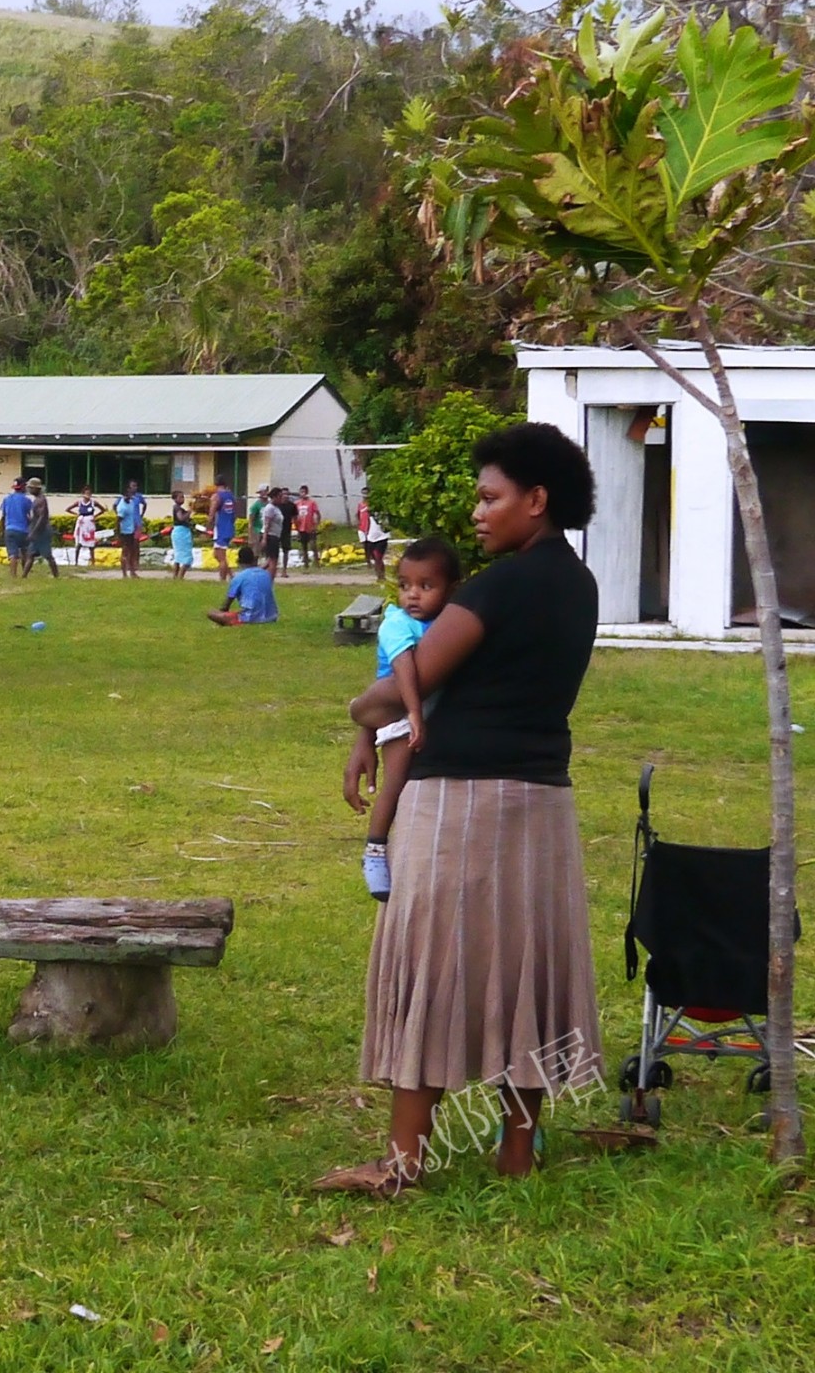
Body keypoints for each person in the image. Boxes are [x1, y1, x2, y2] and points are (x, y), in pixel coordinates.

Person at [320, 423, 600, 1196]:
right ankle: (520, 1151)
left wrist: (357, 711)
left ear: (535, 500)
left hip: (459, 801)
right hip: (543, 801)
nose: (478, 513)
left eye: (491, 496)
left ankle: (402, 1163)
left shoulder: (495, 588)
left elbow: (402, 687)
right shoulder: (579, 585)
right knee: (526, 971)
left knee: (434, 966)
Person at [346, 536, 461, 902]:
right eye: (405, 585)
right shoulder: (396, 622)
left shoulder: (449, 621)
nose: (412, 595)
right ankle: (375, 849)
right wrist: (413, 713)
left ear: (450, 589)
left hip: (427, 710)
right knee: (395, 779)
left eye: (426, 586)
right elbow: (403, 668)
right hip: (398, 711)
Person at [207, 544, 278, 626]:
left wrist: (221, 617)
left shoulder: (239, 577)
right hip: (271, 616)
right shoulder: (265, 574)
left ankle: (232, 621)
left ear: (239, 561)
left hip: (251, 618)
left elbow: (226, 605)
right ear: (253, 560)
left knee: (211, 613)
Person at [23, 477, 60, 579]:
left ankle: (56, 575)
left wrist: (34, 532)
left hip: (42, 531)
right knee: (30, 554)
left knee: (47, 555)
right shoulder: (37, 500)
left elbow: (42, 517)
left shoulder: (41, 500)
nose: (29, 490)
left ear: (36, 489)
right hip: (37, 530)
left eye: (30, 488)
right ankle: (24, 576)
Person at [0, 479, 32, 581]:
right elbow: (30, 516)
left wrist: (2, 530)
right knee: (25, 552)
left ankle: (13, 575)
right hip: (23, 530)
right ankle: (24, 574)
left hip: (9, 529)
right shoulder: (27, 500)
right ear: (23, 487)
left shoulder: (6, 499)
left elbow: (3, 516)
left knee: (13, 554)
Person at [115, 480, 147, 578]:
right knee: (125, 552)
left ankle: (133, 572)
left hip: (132, 529)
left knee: (133, 551)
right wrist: (118, 534)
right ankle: (125, 573)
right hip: (125, 531)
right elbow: (118, 521)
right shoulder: (122, 507)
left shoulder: (131, 502)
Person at [67, 487, 104, 566]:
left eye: (89, 493)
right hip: (82, 523)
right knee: (79, 543)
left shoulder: (94, 502)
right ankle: (76, 562)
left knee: (91, 543)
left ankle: (93, 562)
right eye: (86, 493)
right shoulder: (79, 502)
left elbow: (103, 509)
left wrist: (95, 516)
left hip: (90, 523)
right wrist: (77, 515)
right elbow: (68, 509)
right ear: (83, 494)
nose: (88, 495)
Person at [211, 476, 238, 582]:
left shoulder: (217, 496)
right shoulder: (231, 496)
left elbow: (211, 513)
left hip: (221, 527)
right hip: (228, 526)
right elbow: (234, 513)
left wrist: (208, 526)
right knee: (216, 554)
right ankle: (231, 575)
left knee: (221, 557)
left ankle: (222, 580)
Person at [359, 496, 390, 582]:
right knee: (375, 558)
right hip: (371, 537)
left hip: (382, 536)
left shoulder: (383, 511)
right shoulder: (366, 510)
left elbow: (386, 523)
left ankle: (382, 576)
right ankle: (378, 575)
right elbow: (362, 520)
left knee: (378, 556)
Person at [259, 486, 288, 575]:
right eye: (279, 496)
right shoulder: (270, 508)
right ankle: (269, 577)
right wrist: (264, 538)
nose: (281, 498)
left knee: (270, 560)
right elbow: (267, 524)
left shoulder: (276, 508)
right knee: (273, 561)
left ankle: (257, 572)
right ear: (274, 497)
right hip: (270, 536)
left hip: (275, 535)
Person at [168, 491, 195, 580]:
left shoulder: (179, 508)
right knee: (187, 558)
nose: (182, 499)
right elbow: (181, 518)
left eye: (183, 497)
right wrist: (190, 511)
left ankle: (175, 576)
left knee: (178, 557)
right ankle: (180, 576)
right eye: (180, 497)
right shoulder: (177, 508)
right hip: (181, 533)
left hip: (180, 532)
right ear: (175, 499)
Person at [294, 486, 322, 568]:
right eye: (301, 492)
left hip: (310, 527)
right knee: (304, 546)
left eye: (304, 492)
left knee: (313, 545)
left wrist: (316, 524)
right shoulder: (297, 503)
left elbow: (318, 513)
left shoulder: (312, 503)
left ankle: (317, 563)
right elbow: (295, 516)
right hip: (301, 527)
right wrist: (296, 526)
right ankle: (306, 564)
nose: (302, 494)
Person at [275, 487, 300, 577]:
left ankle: (284, 570)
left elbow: (295, 518)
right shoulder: (277, 505)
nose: (285, 496)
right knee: (274, 550)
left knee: (286, 550)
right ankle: (274, 569)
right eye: (283, 494)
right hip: (276, 530)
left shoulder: (292, 506)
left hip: (286, 530)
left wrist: (297, 530)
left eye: (287, 494)